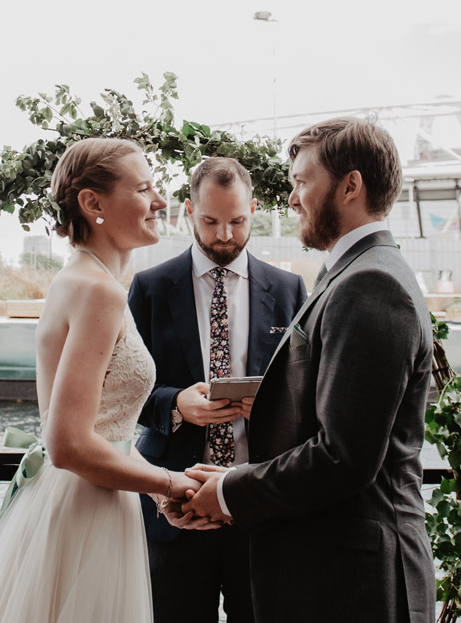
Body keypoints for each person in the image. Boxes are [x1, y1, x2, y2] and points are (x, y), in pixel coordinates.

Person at [180, 118, 435, 623]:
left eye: (302, 181)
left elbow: (344, 456)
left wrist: (231, 491)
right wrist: (233, 477)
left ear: (350, 185)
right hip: (339, 573)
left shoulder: (369, 285)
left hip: (356, 587)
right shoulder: (357, 271)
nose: (293, 199)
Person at [0, 137, 206, 623]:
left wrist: (154, 491)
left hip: (86, 500)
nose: (160, 202)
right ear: (93, 204)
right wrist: (172, 482)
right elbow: (68, 443)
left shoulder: (84, 281)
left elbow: (109, 430)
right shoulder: (97, 293)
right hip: (85, 515)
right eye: (144, 188)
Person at [127, 156, 305, 623]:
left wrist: (270, 406)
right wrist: (175, 404)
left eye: (237, 221)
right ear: (188, 211)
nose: (224, 235)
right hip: (175, 511)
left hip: (258, 507)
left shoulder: (290, 290)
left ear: (255, 210)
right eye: (210, 221)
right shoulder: (149, 288)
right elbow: (123, 394)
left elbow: (306, 395)